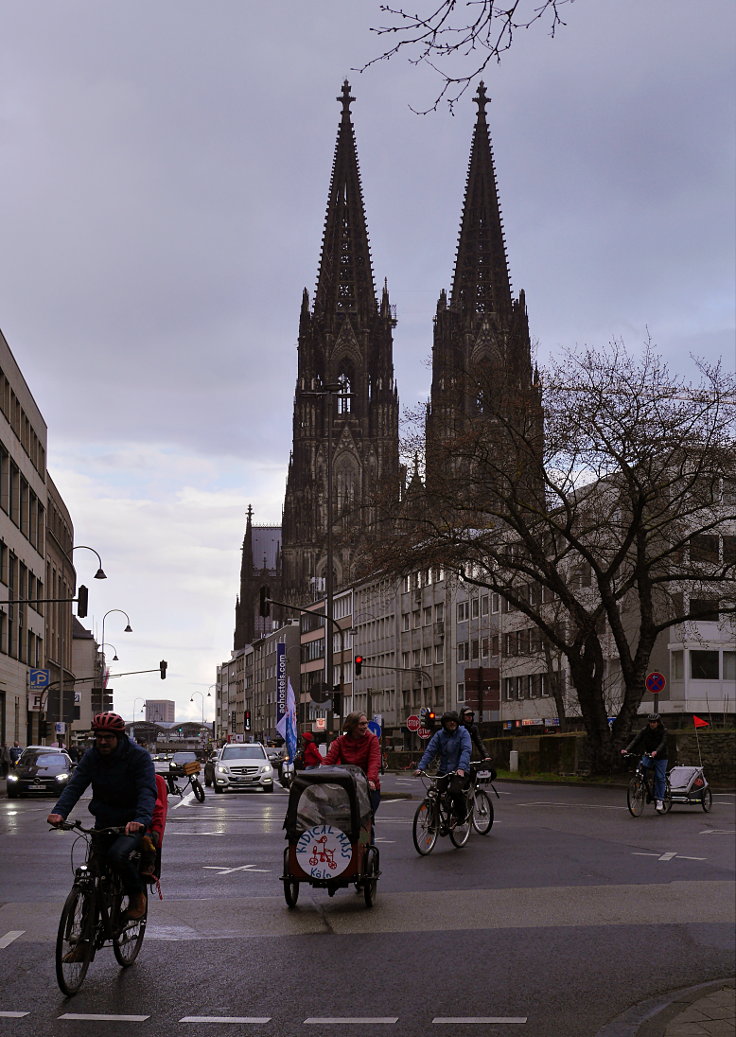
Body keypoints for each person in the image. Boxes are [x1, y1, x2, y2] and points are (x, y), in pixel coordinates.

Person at [47, 711, 157, 928]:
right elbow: (76, 785)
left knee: (118, 855)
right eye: (99, 737)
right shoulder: (92, 756)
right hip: (104, 820)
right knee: (92, 877)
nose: (103, 741)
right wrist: (59, 812)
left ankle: (137, 898)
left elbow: (147, 790)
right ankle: (84, 941)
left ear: (120, 737)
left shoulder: (138, 757)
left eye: (108, 737)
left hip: (131, 822)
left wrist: (141, 819)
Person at [414, 710, 472, 824]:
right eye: (449, 721)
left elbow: (466, 751)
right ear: (444, 723)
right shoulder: (439, 735)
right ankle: (434, 820)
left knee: (455, 791)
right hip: (444, 770)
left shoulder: (463, 733)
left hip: (459, 770)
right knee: (435, 792)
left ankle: (461, 814)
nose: (452, 723)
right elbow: (430, 752)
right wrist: (420, 768)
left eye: (454, 721)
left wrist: (461, 768)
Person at [323, 711, 381, 815]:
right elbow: (329, 759)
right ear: (352, 725)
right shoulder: (341, 741)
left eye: (366, 723)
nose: (365, 726)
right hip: (349, 785)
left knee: (366, 819)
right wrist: (319, 772)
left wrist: (371, 779)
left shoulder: (372, 740)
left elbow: (374, 760)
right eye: (362, 724)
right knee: (346, 820)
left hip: (368, 787)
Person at [622, 713, 669, 813]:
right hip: (648, 755)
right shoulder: (645, 730)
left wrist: (656, 751)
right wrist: (627, 750)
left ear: (658, 722)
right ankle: (643, 785)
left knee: (660, 777)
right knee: (641, 768)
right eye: (651, 722)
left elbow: (663, 743)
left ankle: (660, 799)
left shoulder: (663, 731)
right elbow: (636, 740)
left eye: (654, 722)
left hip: (661, 757)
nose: (652, 724)